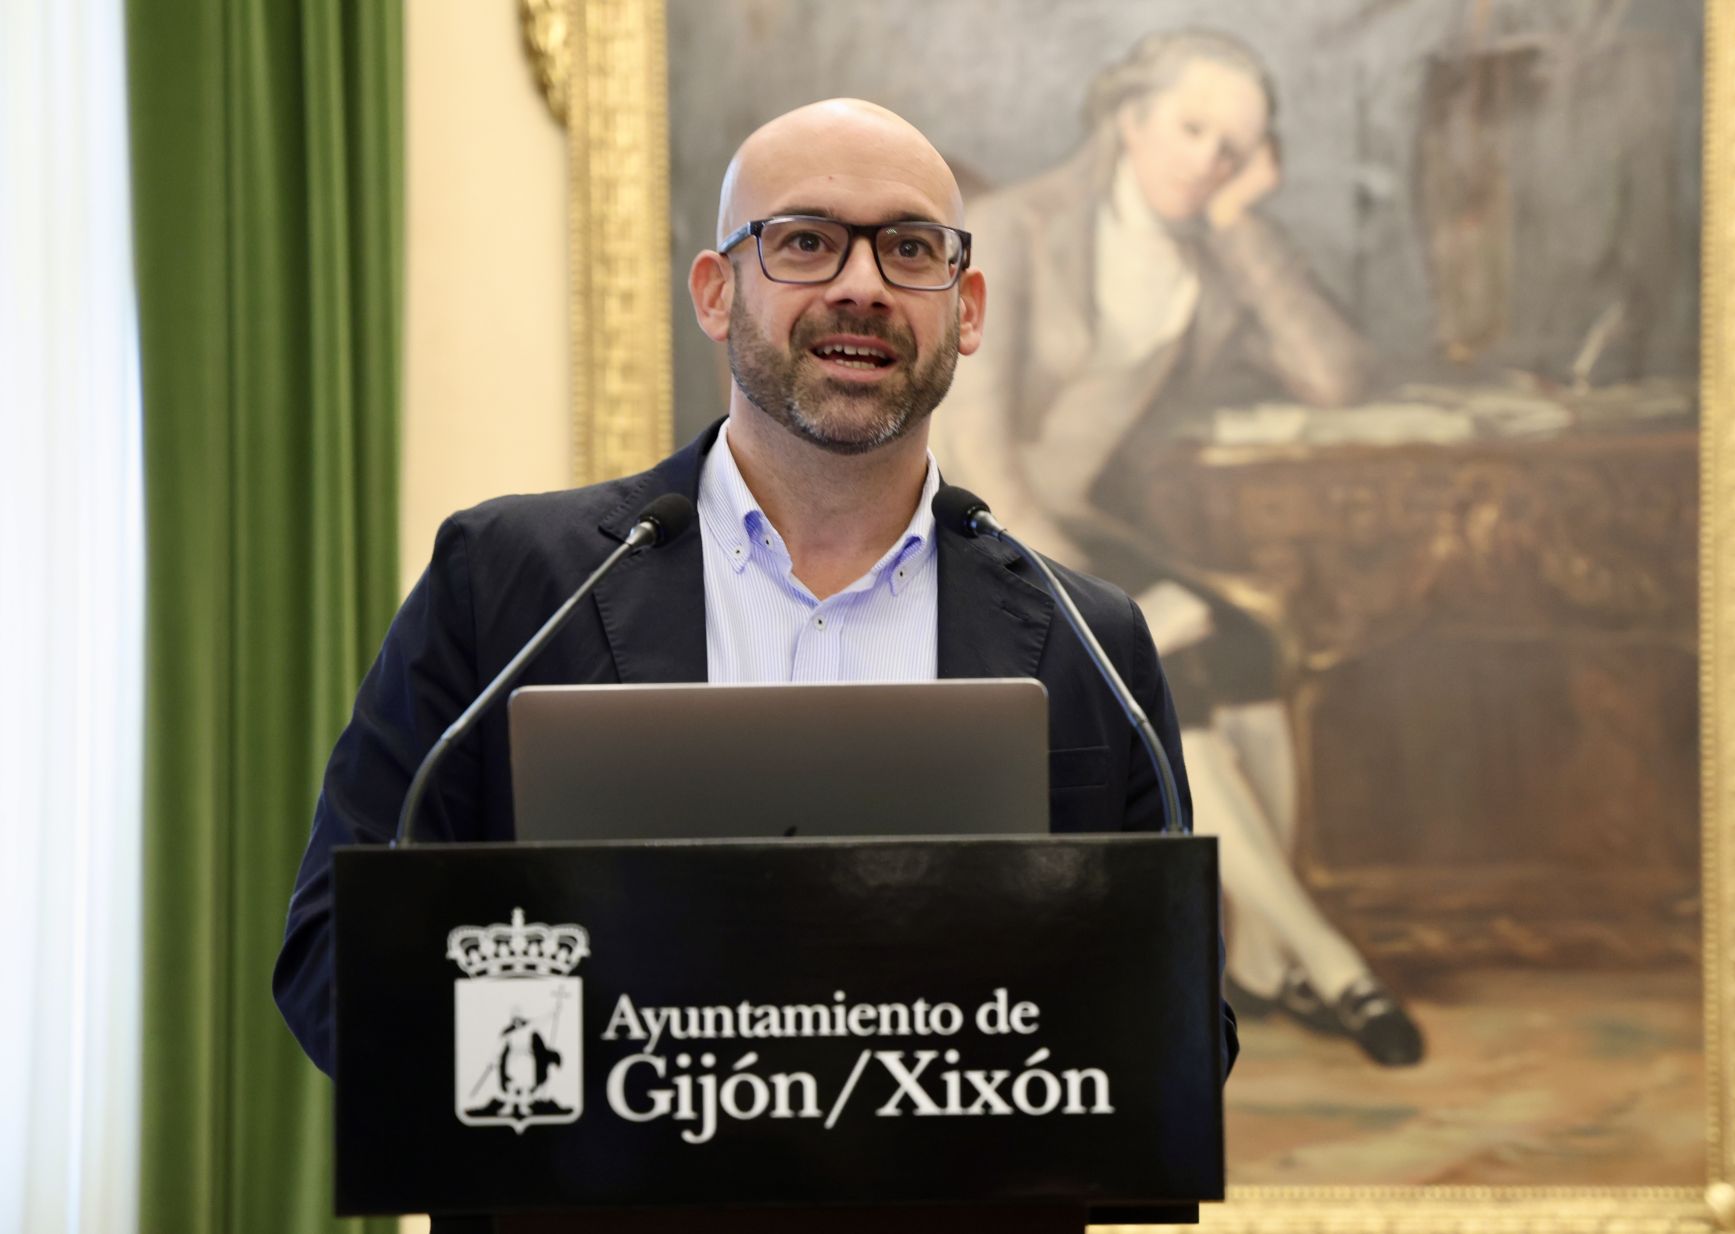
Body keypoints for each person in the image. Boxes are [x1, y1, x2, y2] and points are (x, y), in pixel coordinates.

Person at [273, 98, 1237, 1081]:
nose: (862, 287)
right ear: (715, 293)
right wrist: (583, 1095)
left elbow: (1186, 1026)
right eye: (807, 242)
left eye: (910, 249)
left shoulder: (1091, 640)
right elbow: (335, 959)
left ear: (968, 307)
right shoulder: (506, 582)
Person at [931, 30, 1423, 1066]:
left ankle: (1254, 961)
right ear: (1130, 119)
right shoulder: (1017, 229)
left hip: (1074, 517)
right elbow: (980, 462)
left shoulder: (1205, 254)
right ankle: (1330, 960)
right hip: (965, 531)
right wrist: (1105, 599)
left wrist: (1245, 228)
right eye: (1195, 130)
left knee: (1245, 645)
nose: (1212, 160)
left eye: (1237, 147)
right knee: (1169, 660)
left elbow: (1336, 375)